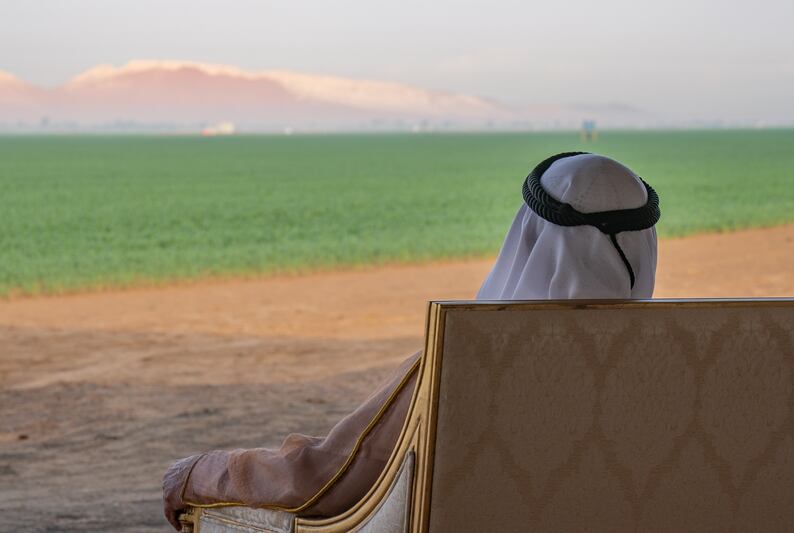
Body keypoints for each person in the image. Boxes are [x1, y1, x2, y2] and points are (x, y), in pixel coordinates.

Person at [162, 152, 660, 530]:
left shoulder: (465, 363)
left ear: (527, 238)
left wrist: (197, 474)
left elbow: (320, 482)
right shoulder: (686, 363)